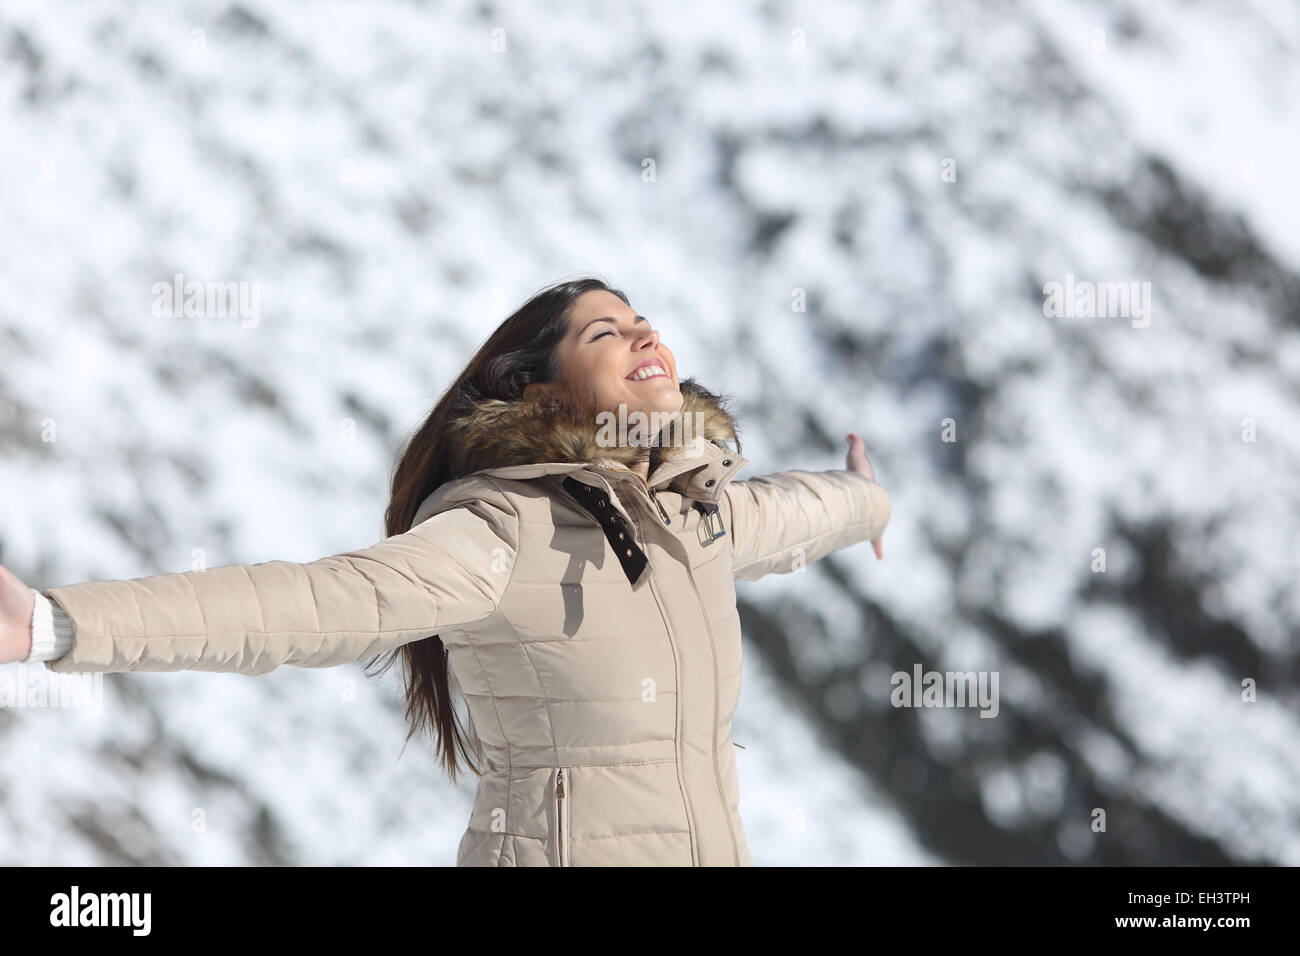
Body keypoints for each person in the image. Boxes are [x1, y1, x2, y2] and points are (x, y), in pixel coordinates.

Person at [0, 276, 891, 866]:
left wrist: (868, 499)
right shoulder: (502, 527)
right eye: (605, 332)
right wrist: (56, 624)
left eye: (644, 321)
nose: (643, 334)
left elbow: (800, 512)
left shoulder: (694, 513)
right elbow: (307, 605)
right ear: (545, 393)